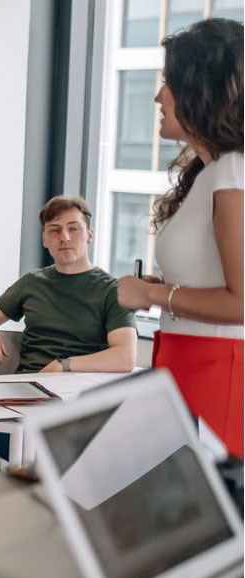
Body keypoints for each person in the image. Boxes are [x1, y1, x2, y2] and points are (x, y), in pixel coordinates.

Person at [117, 18, 243, 458]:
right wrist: (166, 290)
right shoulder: (214, 173)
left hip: (216, 374)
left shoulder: (232, 173)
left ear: (199, 90)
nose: (158, 97)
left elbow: (242, 302)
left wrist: (154, 296)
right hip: (188, 366)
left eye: (168, 83)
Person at [0, 196, 138, 459]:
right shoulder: (33, 282)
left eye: (73, 228)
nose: (64, 238)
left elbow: (125, 356)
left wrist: (64, 365)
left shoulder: (112, 290)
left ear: (89, 235)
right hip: (24, 396)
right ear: (45, 240)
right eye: (54, 230)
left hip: (77, 401)